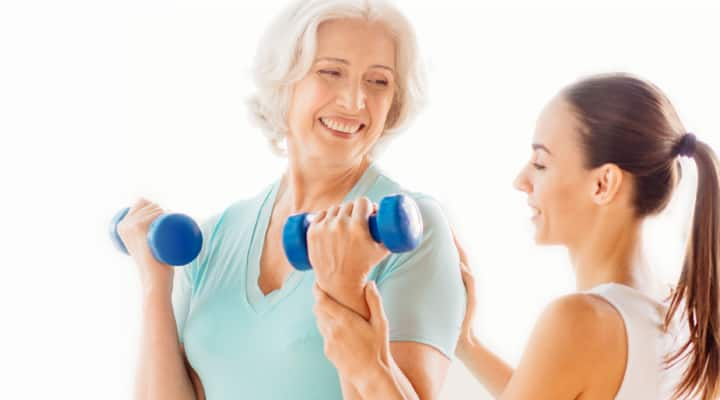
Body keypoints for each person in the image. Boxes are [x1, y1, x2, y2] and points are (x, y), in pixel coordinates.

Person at [116, 0, 465, 399]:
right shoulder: (218, 235)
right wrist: (154, 285)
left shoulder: (409, 230)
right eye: (331, 72)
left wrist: (346, 293)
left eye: (378, 81)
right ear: (283, 81)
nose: (354, 101)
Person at [313, 73, 720, 399]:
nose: (521, 180)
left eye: (541, 164)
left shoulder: (582, 320)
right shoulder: (681, 318)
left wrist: (370, 366)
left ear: (603, 184)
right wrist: (467, 342)